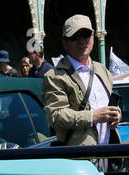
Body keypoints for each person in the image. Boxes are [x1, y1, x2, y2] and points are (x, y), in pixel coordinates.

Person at [43, 14, 122, 147]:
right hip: (80, 156)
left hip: (110, 151)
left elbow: (108, 106)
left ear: (93, 36)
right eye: (74, 37)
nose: (81, 41)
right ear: (65, 42)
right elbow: (55, 116)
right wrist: (92, 117)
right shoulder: (54, 76)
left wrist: (116, 115)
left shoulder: (102, 70)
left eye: (85, 35)